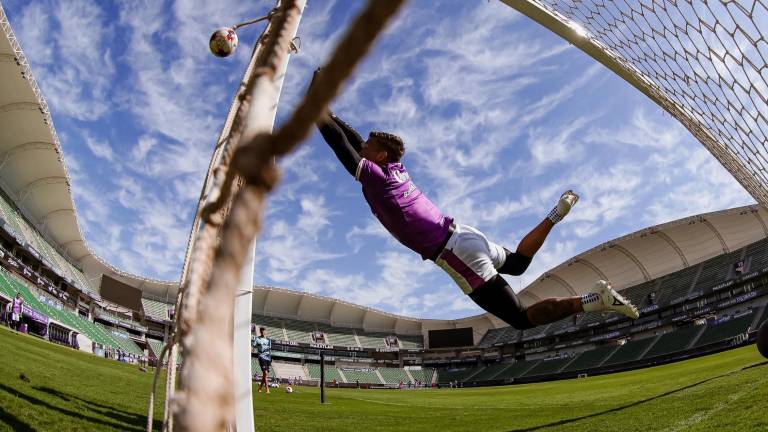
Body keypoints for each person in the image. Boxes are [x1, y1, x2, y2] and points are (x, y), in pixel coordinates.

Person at [312, 69, 639, 329]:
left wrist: (316, 110)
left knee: (520, 319)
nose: (362, 150)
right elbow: (354, 139)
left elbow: (341, 144)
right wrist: (331, 111)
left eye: (369, 148)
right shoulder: (395, 168)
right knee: (516, 264)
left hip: (453, 252)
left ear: (380, 155)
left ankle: (591, 300)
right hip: (465, 235)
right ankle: (555, 214)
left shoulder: (378, 176)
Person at [252, 326, 272, 394]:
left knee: (265, 375)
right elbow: (253, 346)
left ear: (266, 332)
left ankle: (260, 388)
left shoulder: (269, 340)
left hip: (268, 358)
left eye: (264, 331)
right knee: (265, 373)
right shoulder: (257, 339)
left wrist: (270, 358)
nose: (263, 332)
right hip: (261, 357)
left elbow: (270, 350)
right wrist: (257, 347)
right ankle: (267, 389)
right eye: (262, 331)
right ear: (260, 332)